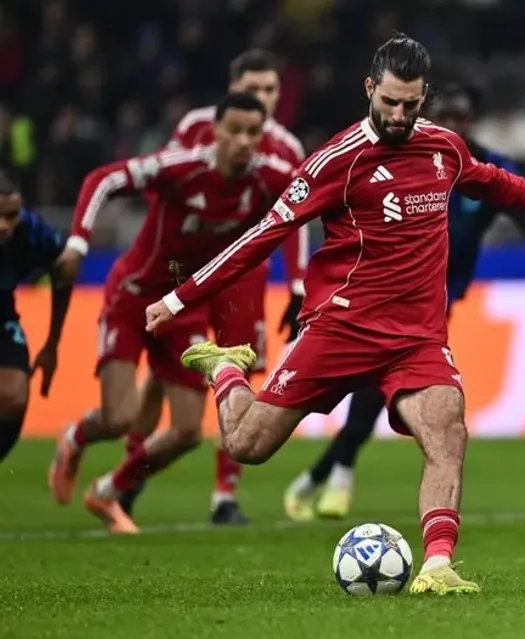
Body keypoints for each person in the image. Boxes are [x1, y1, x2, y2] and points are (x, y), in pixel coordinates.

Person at [145, 34, 525, 594]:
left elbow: (493, 181)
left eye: (410, 104)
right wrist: (180, 298)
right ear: (369, 89)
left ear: (423, 97)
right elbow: (264, 234)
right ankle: (224, 368)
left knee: (447, 431)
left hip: (416, 338)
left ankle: (437, 565)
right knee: (248, 446)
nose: (399, 115)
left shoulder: (443, 148)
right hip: (340, 327)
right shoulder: (335, 162)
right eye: (389, 102)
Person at [283, 83, 525, 521]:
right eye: (446, 116)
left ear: (472, 121)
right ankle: (333, 473)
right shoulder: (410, 157)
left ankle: (326, 474)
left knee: (379, 390)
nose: (453, 125)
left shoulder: (480, 165)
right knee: (375, 388)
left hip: (434, 299)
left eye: (461, 118)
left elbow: (516, 198)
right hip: (383, 291)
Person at [47, 93, 293, 534]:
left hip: (181, 309)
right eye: (234, 130)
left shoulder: (267, 177)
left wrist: (303, 282)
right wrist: (78, 243)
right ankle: (75, 436)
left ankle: (108, 491)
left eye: (253, 133)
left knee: (186, 433)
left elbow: (314, 198)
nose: (243, 141)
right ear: (215, 131)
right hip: (133, 296)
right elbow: (103, 178)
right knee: (119, 418)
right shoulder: (181, 167)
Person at [121, 49, 308, 525]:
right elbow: (165, 185)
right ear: (232, 89)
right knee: (166, 372)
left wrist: (298, 284)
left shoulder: (286, 148)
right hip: (188, 269)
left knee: (239, 369)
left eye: (270, 89)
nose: (262, 97)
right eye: (253, 88)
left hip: (243, 276)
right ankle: (132, 467)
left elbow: (296, 219)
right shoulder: (196, 128)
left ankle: (224, 495)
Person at [0, 171, 75, 464]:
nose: (4, 226)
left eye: (11, 216)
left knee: (14, 396)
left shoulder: (31, 232)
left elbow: (64, 272)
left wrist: (52, 343)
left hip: (1, 311)